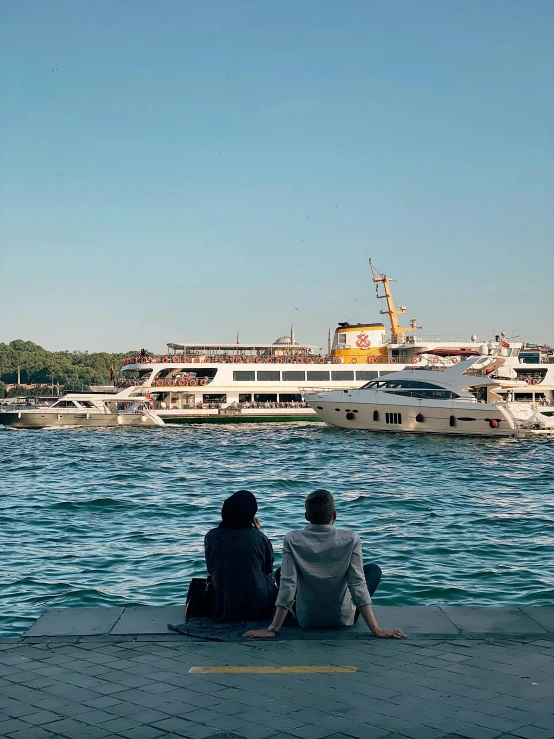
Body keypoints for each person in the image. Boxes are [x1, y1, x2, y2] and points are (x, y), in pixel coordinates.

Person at [244, 489, 406, 639]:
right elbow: (357, 585)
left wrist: (273, 629)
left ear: (306, 516)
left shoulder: (292, 539)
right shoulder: (351, 539)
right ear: (334, 515)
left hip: (306, 619)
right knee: (373, 570)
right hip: (344, 619)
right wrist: (376, 629)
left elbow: (288, 585)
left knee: (281, 573)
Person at [204, 490, 277, 622]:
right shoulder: (258, 537)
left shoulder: (211, 537)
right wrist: (257, 531)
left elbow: (211, 569)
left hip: (222, 604)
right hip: (258, 607)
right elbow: (268, 569)